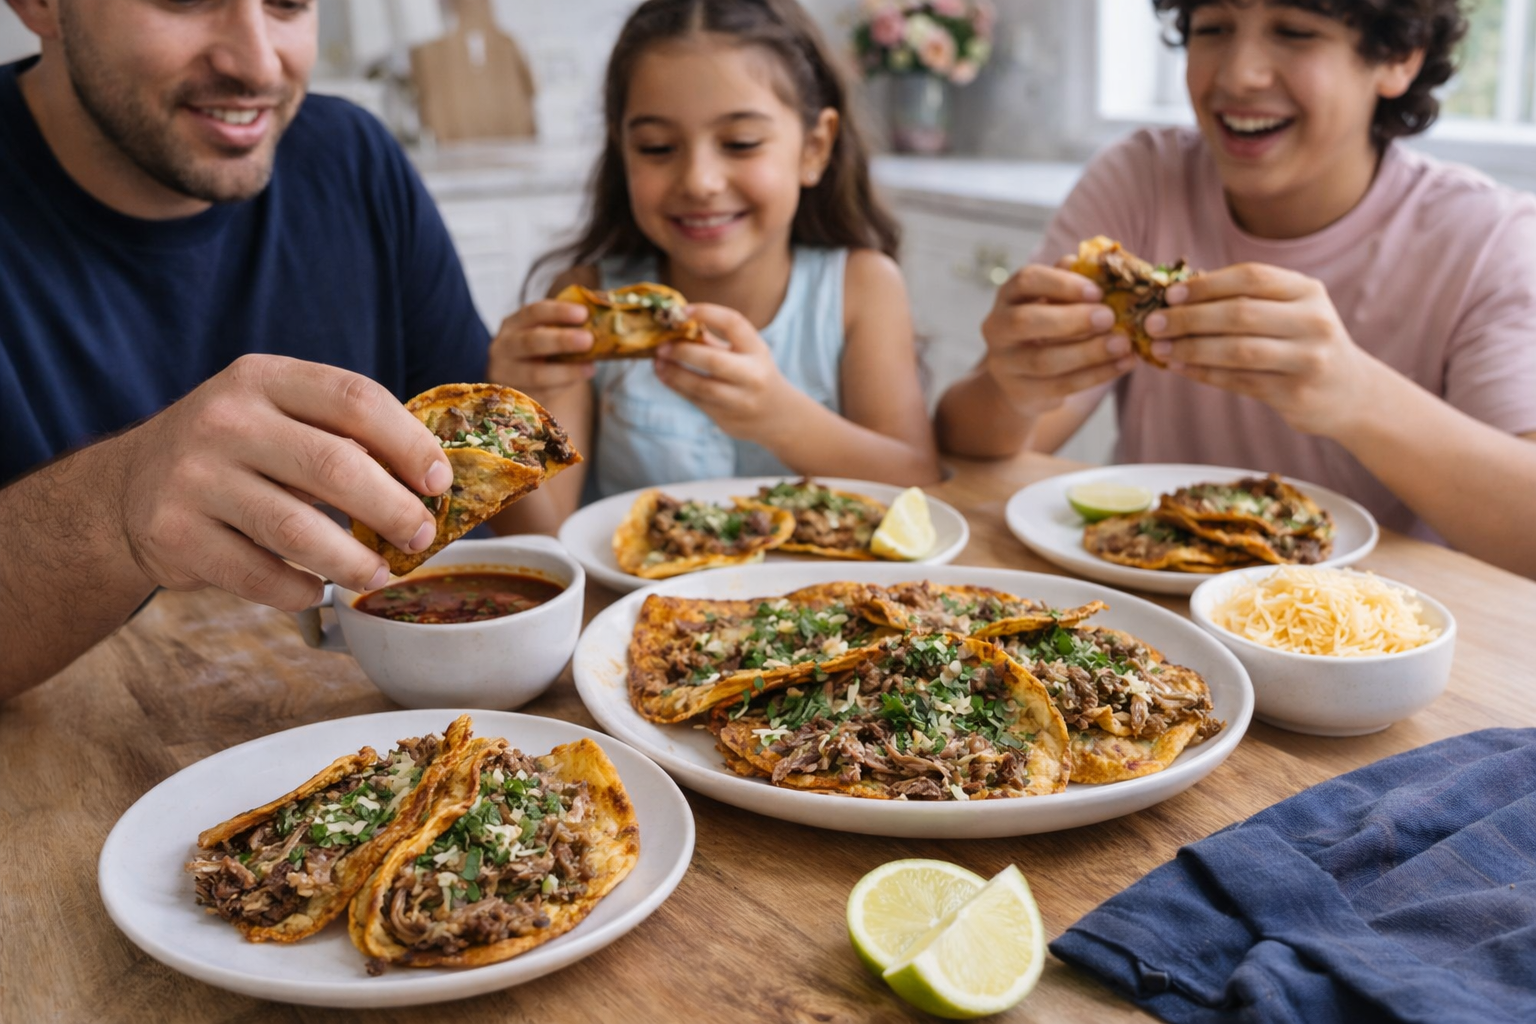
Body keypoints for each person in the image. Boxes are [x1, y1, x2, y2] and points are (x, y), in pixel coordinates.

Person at [936, 0, 1536, 577]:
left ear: (1400, 56)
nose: (1238, 74)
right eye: (1213, 26)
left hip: (1372, 639)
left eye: (1296, 30)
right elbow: (969, 448)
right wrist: (1014, 385)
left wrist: (1358, 396)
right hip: (1147, 616)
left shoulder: (1488, 239)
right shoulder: (1141, 181)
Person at [0, 0, 492, 695]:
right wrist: (118, 511)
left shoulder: (355, 159)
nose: (259, 63)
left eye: (289, 3)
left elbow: (492, 512)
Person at [489, 0, 941, 533]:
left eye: (741, 143)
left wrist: (779, 419)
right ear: (622, 150)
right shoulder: (583, 299)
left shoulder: (861, 287)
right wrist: (511, 420)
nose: (700, 181)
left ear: (814, 148)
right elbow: (545, 537)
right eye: (657, 147)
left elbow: (921, 487)